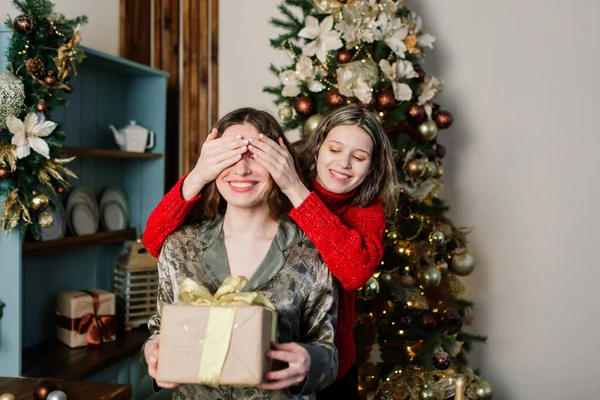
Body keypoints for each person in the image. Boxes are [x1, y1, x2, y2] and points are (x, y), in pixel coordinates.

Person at [143, 104, 398, 399]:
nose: (344, 164)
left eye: (359, 156)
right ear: (316, 151)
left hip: (323, 367)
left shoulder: (323, 210)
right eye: (335, 150)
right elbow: (154, 241)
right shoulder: (185, 245)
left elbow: (353, 274)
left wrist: (293, 187)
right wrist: (200, 173)